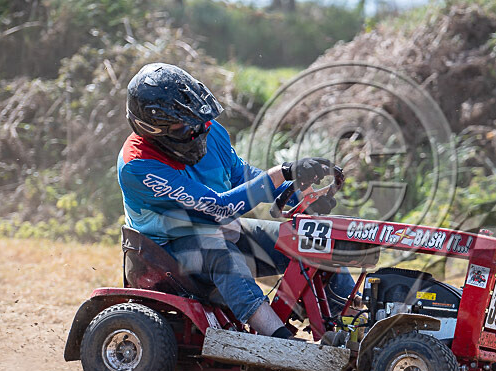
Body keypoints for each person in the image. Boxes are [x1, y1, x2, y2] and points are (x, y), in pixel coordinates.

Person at [117, 63, 353, 339]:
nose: (196, 130)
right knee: (220, 254)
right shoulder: (138, 166)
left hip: (220, 229)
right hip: (166, 252)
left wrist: (296, 192)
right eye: (182, 124)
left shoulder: (211, 131)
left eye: (196, 119)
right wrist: (282, 172)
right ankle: (280, 342)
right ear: (153, 129)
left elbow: (243, 177)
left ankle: (353, 326)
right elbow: (219, 208)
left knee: (310, 240)